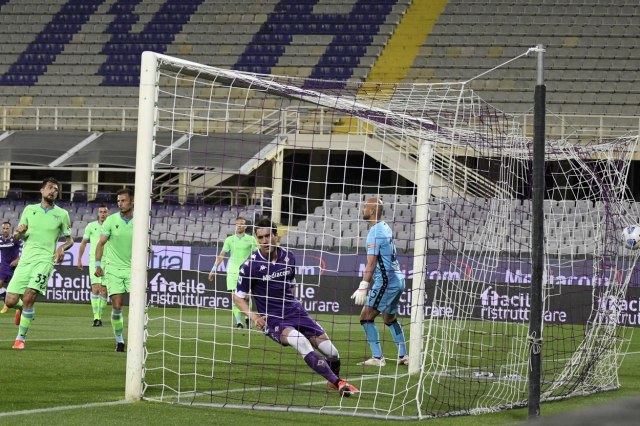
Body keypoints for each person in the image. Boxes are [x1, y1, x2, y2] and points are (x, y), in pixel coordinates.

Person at [233, 219, 358, 397]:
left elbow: (291, 284)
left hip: (295, 312)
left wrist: (293, 302)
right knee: (301, 342)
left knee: (333, 353)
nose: (264, 241)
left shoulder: (288, 257)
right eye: (260, 238)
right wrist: (254, 317)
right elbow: (237, 297)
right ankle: (339, 383)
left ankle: (333, 380)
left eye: (268, 236)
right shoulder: (250, 266)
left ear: (276, 236)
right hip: (273, 319)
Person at [4, 177, 74, 349]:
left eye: (56, 189)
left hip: (45, 261)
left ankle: (20, 338)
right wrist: (18, 232)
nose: (53, 191)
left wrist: (62, 248)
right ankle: (21, 309)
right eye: (50, 187)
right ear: (42, 190)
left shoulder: (62, 214)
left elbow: (70, 240)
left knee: (29, 297)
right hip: (26, 260)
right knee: (10, 301)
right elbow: (17, 236)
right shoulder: (29, 210)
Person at [351, 197, 408, 366]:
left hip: (386, 282)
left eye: (365, 207)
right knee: (389, 318)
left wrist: (363, 286)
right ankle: (403, 356)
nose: (363, 209)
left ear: (372, 211)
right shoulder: (385, 227)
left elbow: (371, 263)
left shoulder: (375, 232)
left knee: (365, 317)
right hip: (397, 279)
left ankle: (377, 358)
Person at [95, 188, 134, 352]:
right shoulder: (111, 221)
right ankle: (119, 340)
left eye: (123, 200)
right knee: (117, 305)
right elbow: (100, 244)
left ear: (132, 201)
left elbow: (148, 245)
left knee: (137, 307)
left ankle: (137, 338)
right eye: (118, 201)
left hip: (134, 269)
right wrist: (98, 264)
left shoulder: (141, 221)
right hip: (113, 269)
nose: (120, 204)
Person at [209, 216, 257, 328]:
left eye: (242, 224)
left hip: (246, 272)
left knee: (247, 297)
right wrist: (213, 270)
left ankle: (248, 318)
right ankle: (239, 322)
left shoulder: (251, 239)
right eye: (237, 224)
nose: (239, 226)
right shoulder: (229, 240)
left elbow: (257, 256)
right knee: (234, 297)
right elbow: (221, 255)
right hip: (232, 271)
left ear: (246, 226)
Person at [77, 205, 110, 327]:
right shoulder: (91, 226)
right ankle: (96, 317)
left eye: (105, 212)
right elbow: (83, 243)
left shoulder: (111, 226)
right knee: (96, 288)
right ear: (98, 213)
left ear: (108, 214)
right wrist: (79, 259)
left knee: (104, 290)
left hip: (108, 261)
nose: (103, 214)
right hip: (94, 260)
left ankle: (99, 315)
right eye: (101, 212)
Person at [0, 221, 21, 309]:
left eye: (7, 228)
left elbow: (25, 250)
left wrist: (17, 260)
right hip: (4, 267)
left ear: (10, 229)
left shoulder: (15, 239)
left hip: (14, 267)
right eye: (4, 228)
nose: (5, 230)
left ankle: (18, 305)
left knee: (14, 289)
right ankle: (6, 301)